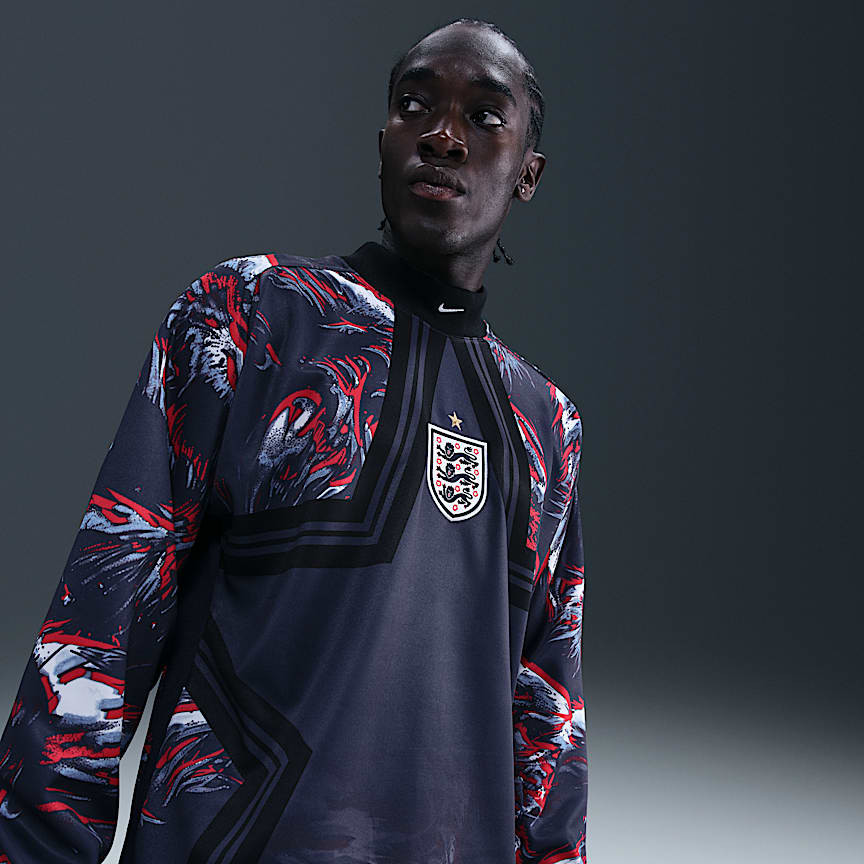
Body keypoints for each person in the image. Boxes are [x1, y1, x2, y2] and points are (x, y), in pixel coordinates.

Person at [0, 16, 587, 864]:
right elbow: (100, 624)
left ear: (528, 172)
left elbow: (548, 727)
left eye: (485, 116)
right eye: (414, 105)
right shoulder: (251, 317)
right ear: (382, 142)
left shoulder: (547, 425)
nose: (442, 136)